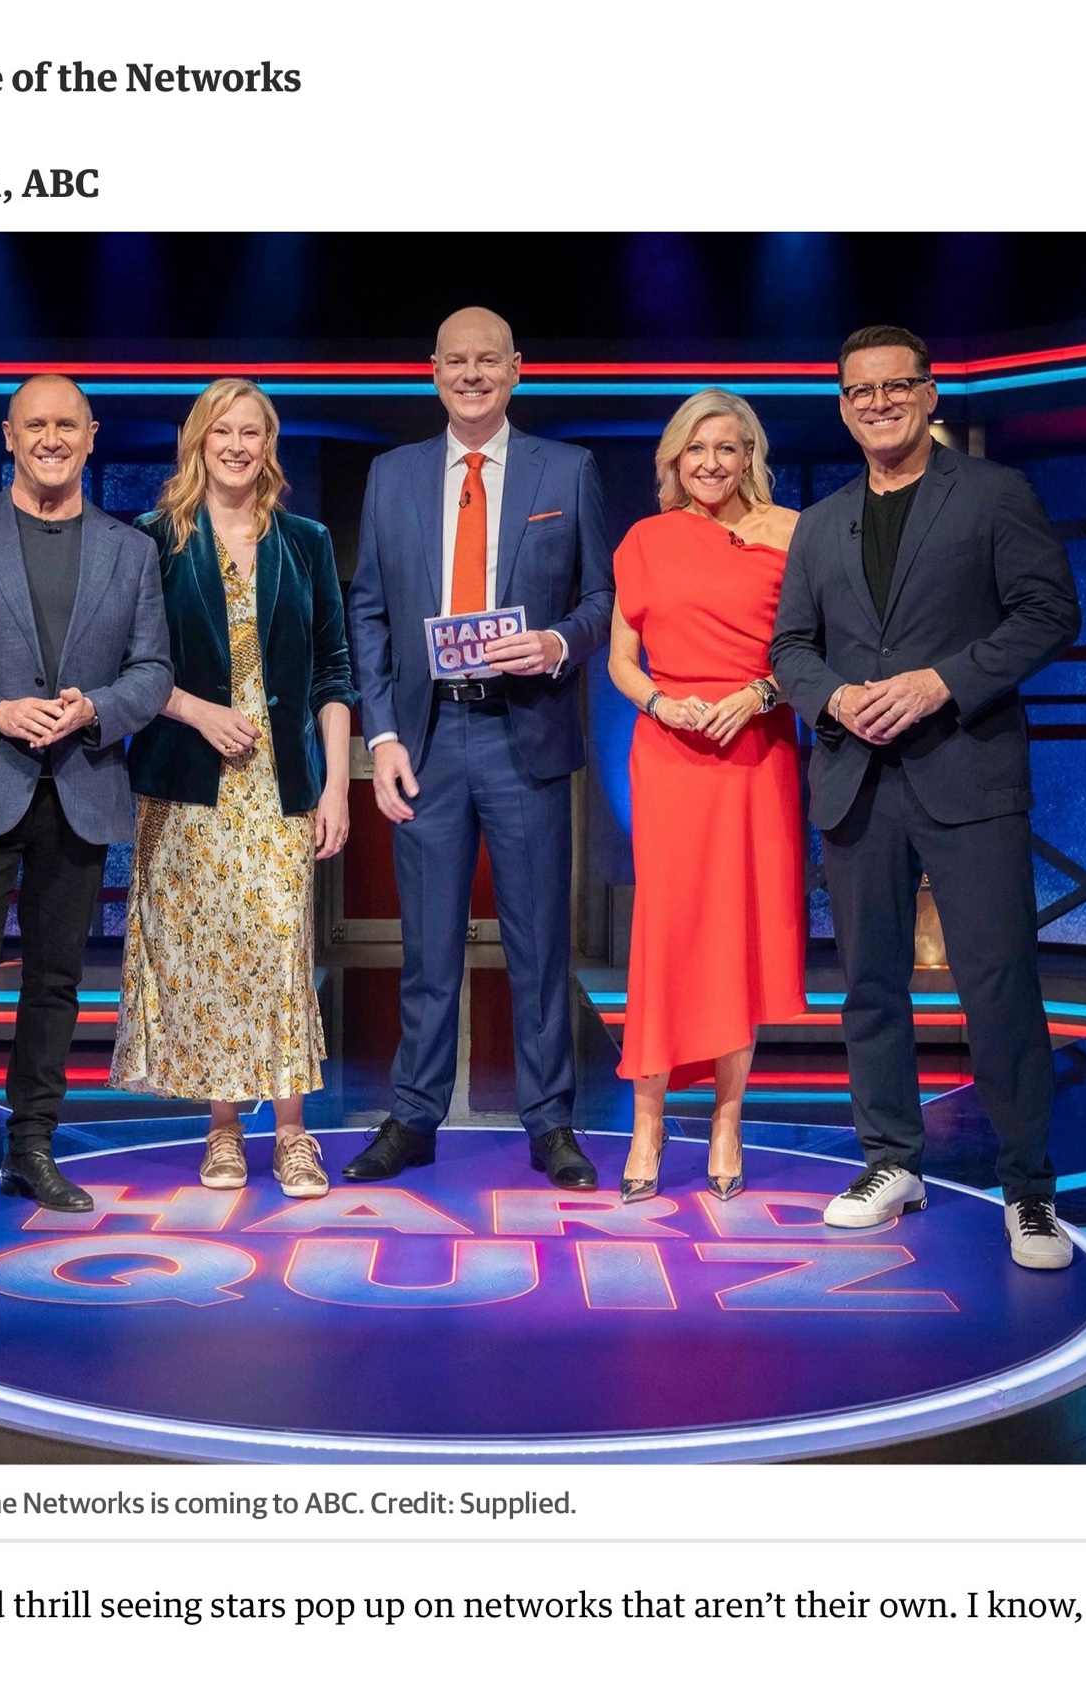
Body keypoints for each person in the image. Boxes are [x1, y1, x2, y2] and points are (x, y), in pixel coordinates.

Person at [770, 325, 1081, 1269]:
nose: (878, 403)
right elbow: (791, 649)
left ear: (929, 392)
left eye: (895, 386)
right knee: (870, 987)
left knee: (999, 985)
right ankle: (890, 1161)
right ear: (842, 407)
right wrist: (834, 699)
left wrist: (943, 681)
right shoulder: (820, 522)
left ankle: (1029, 1190)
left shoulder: (992, 494)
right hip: (856, 781)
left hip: (967, 773)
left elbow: (1050, 613)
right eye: (860, 391)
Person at [0, 373, 174, 1242]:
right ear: (10, 437)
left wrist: (95, 709)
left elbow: (152, 672)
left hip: (80, 789)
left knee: (56, 982)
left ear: (91, 436)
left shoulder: (131, 550)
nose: (51, 438)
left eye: (66, 425)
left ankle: (32, 1146)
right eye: (35, 424)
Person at [344, 306, 614, 1187]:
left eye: (487, 360)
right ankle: (414, 1116)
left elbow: (602, 598)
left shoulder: (567, 471)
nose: (471, 374)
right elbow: (369, 612)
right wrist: (383, 734)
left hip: (522, 731)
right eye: (455, 361)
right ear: (433, 372)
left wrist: (558, 642)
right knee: (428, 947)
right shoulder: (391, 476)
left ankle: (551, 1123)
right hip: (426, 740)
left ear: (516, 369)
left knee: (539, 943)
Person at [109, 379, 355, 1199]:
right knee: (208, 962)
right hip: (186, 784)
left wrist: (336, 788)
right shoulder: (153, 540)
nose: (238, 446)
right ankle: (221, 1129)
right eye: (224, 431)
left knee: (279, 951)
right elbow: (125, 667)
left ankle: (291, 1134)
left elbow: (334, 673)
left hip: (279, 787)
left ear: (268, 444)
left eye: (253, 432)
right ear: (199, 441)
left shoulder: (306, 541)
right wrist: (195, 710)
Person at [608, 390, 807, 1202]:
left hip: (756, 752)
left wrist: (758, 695)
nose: (711, 463)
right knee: (667, 936)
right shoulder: (645, 539)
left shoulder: (793, 534)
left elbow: (814, 651)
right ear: (674, 459)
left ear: (750, 455)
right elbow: (622, 661)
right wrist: (661, 703)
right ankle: (647, 1122)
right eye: (695, 449)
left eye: (727, 447)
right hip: (670, 756)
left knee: (735, 936)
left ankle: (728, 1122)